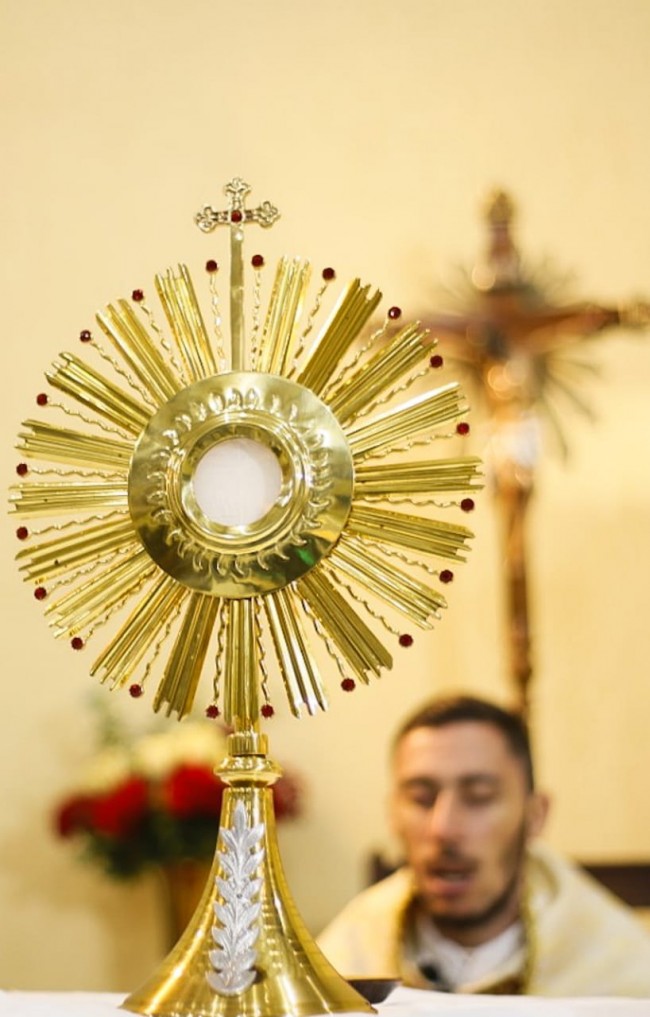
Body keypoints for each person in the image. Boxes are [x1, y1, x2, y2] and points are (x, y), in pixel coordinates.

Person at [317, 694, 650, 996]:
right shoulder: (344, 959)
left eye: (479, 797)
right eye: (421, 798)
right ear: (392, 814)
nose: (443, 828)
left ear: (535, 815)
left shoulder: (621, 973)